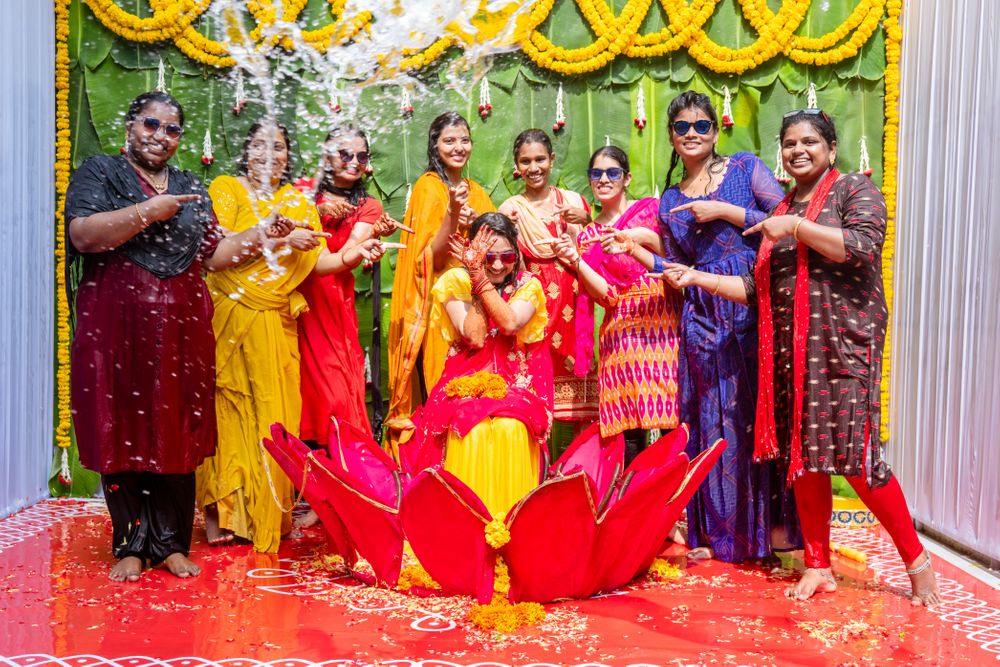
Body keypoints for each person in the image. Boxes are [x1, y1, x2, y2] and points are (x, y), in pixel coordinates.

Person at [659, 109, 941, 606]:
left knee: (856, 460)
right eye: (789, 143)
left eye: (809, 141)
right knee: (803, 462)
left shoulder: (853, 191)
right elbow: (755, 287)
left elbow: (860, 246)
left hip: (841, 348)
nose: (798, 151)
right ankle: (818, 564)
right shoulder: (785, 207)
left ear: (831, 149)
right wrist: (697, 277)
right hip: (788, 354)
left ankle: (917, 563)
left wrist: (795, 227)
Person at [65, 91, 297, 582]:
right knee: (124, 425)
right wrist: (151, 211)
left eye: (172, 129)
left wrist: (264, 234)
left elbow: (215, 253)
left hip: (182, 329)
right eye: (151, 124)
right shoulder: (101, 173)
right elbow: (85, 235)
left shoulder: (190, 185)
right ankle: (130, 543)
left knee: (178, 427)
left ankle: (170, 543)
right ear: (130, 125)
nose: (161, 136)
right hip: (118, 327)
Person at [607, 91, 790, 562]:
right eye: (683, 127)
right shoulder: (670, 198)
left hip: (750, 308)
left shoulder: (746, 169)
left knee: (755, 419)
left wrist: (726, 212)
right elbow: (676, 265)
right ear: (670, 135)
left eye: (701, 126)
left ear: (715, 130)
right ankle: (719, 536)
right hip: (702, 319)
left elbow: (784, 222)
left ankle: (767, 535)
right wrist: (633, 249)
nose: (692, 134)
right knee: (712, 423)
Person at [196, 120, 386, 553]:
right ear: (245, 152)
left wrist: (360, 250)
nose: (270, 154)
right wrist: (274, 234)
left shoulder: (297, 201)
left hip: (276, 323)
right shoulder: (226, 188)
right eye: (260, 145)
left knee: (273, 413)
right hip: (231, 315)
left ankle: (268, 509)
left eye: (279, 147)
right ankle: (219, 513)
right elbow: (217, 251)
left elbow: (320, 264)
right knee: (226, 411)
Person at [294, 126, 409, 529]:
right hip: (285, 301)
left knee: (336, 401)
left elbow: (345, 254)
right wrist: (319, 211)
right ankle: (296, 492)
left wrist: (352, 232)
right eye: (345, 154)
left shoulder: (369, 206)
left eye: (361, 157)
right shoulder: (302, 191)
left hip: (330, 307)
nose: (354, 163)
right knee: (294, 399)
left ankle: (331, 496)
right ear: (326, 154)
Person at [551, 146, 681, 466]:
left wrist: (635, 239)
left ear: (627, 178)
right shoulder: (589, 237)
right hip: (620, 331)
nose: (604, 179)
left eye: (613, 173)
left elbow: (675, 258)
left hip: (660, 322)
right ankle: (633, 502)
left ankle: (674, 502)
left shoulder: (650, 211)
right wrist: (576, 261)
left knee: (669, 418)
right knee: (629, 427)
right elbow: (606, 296)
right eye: (597, 174)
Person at [415, 212, 551, 516]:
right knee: (467, 425)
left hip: (514, 381)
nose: (499, 265)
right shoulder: (454, 281)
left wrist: (480, 276)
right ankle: (461, 519)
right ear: (474, 255)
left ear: (516, 254)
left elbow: (509, 324)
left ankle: (512, 521)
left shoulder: (530, 285)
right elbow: (475, 338)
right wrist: (476, 279)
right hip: (464, 379)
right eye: (489, 257)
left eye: (506, 256)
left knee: (512, 425)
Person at [386, 112, 495, 454]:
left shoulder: (475, 191)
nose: (458, 147)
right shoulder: (428, 187)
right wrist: (452, 215)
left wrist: (477, 220)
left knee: (475, 385)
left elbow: (497, 244)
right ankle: (438, 462)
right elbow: (427, 254)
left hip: (475, 299)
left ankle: (469, 462)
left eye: (464, 140)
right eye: (449, 140)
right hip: (438, 306)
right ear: (435, 145)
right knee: (442, 384)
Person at [499, 129, 598, 429]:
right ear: (517, 165)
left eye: (540, 159)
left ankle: (583, 470)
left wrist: (588, 222)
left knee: (582, 403)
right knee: (534, 401)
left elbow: (597, 256)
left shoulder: (574, 203)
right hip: (534, 308)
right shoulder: (511, 209)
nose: (534, 168)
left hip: (574, 302)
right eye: (525, 161)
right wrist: (509, 231)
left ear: (552, 160)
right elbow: (501, 266)